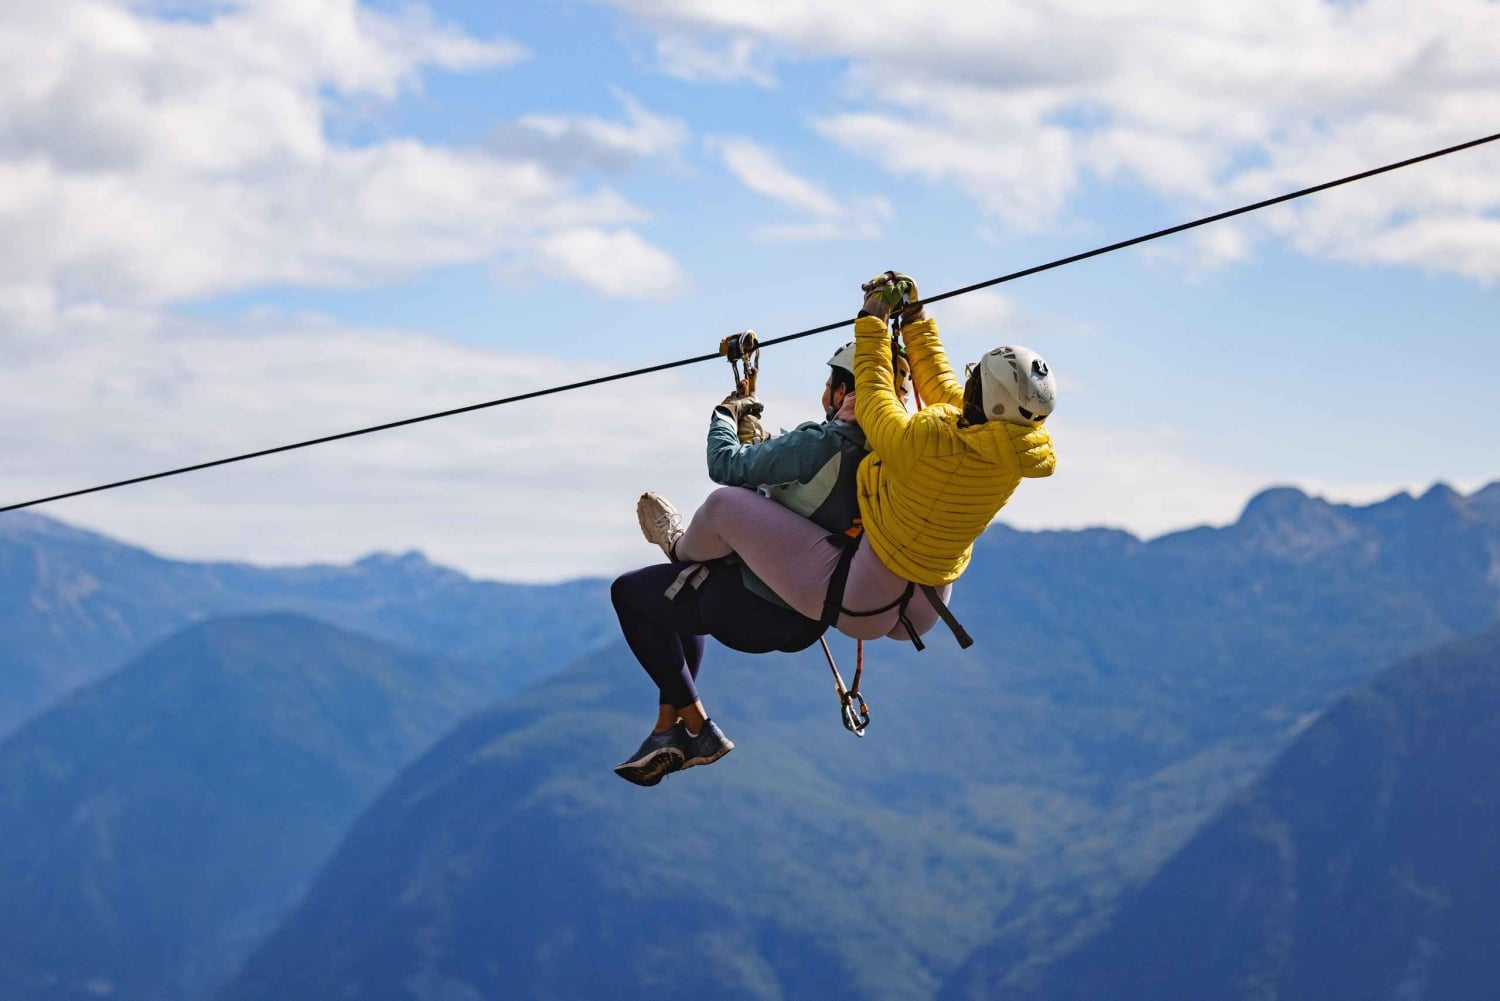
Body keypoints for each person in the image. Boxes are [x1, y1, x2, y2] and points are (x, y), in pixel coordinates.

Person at [637, 268, 1056, 715]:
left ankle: (682, 548)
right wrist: (914, 320)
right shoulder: (1007, 446)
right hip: (927, 606)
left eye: (975, 378)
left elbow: (875, 401)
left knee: (725, 505)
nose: (965, 381)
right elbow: (941, 390)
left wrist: (872, 320)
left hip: (865, 597)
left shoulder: (922, 442)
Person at [609, 343, 912, 786]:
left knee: (631, 594)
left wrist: (724, 415)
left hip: (752, 605)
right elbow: (799, 494)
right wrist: (763, 438)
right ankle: (665, 730)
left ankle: (697, 725)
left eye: (830, 383)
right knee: (674, 597)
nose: (825, 391)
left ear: (846, 389)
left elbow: (726, 465)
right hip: (806, 619)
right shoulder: (889, 460)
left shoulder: (826, 443)